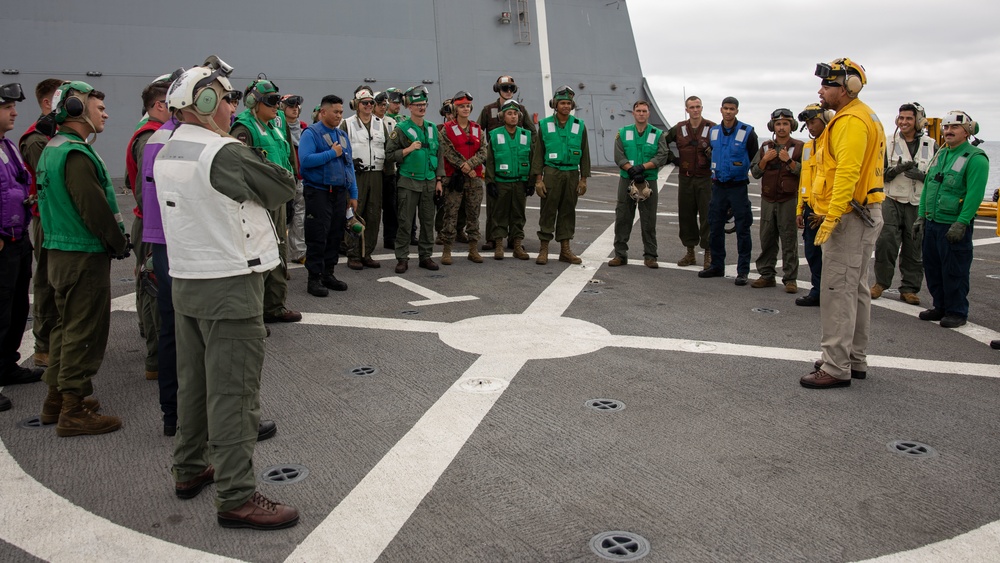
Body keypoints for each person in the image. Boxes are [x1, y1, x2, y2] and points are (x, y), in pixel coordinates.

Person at [155, 60, 299, 529]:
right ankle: (236, 495)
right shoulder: (224, 152)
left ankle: (190, 467)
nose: (233, 103)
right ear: (205, 102)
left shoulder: (168, 148)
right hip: (230, 280)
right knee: (235, 395)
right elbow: (281, 186)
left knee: (193, 383)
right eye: (227, 95)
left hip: (189, 279)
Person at [35, 81, 129, 434]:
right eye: (97, 107)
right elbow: (95, 209)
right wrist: (117, 243)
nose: (104, 113)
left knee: (64, 326)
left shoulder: (53, 148)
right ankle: (74, 410)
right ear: (76, 109)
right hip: (81, 253)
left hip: (60, 252)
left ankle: (56, 399)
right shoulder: (75, 154)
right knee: (84, 329)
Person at [800, 57, 885, 389]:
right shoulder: (863, 116)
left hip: (849, 217)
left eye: (828, 85)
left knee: (837, 291)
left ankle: (836, 366)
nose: (821, 91)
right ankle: (854, 358)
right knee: (856, 290)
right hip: (861, 214)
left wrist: (832, 216)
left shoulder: (850, 121)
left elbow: (847, 173)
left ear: (848, 88)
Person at [231, 75, 300, 324]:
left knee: (278, 251)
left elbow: (286, 160)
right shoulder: (244, 129)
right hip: (258, 203)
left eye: (276, 101)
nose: (276, 106)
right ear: (254, 102)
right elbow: (240, 171)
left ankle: (275, 306)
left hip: (278, 201)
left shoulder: (274, 127)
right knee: (259, 255)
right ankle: (254, 314)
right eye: (270, 101)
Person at [913, 110, 988, 329]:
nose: (948, 131)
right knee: (933, 267)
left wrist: (962, 222)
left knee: (955, 269)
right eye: (946, 127)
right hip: (933, 221)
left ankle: (956, 311)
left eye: (954, 127)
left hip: (953, 224)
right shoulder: (941, 154)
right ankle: (941, 306)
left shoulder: (975, 158)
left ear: (967, 131)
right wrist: (921, 216)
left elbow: (975, 194)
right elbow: (929, 185)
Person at [126, 74, 176, 382]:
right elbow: (149, 192)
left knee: (151, 287)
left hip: (150, 223)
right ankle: (156, 357)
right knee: (153, 290)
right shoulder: (150, 138)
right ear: (159, 105)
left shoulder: (155, 133)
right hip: (151, 224)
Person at [0, 83, 44, 412]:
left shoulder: (8, 146)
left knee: (15, 308)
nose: (15, 112)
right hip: (4, 240)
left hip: (17, 237)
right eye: (7, 107)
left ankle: (7, 365)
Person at [872, 103, 938, 305]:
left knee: (914, 246)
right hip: (892, 199)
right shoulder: (888, 142)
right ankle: (880, 283)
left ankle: (909, 288)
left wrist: (922, 176)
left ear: (918, 121)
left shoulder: (931, 144)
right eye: (901, 118)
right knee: (885, 243)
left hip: (917, 202)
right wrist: (894, 171)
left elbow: (936, 177)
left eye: (908, 118)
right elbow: (878, 173)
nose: (903, 122)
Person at [18, 78, 63, 369]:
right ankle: (45, 344)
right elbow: (51, 180)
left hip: (58, 216)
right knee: (47, 280)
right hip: (47, 218)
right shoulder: (36, 139)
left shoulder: (54, 135)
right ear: (48, 103)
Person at [298, 94, 358, 296]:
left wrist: (353, 193)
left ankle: (328, 273)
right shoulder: (311, 133)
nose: (339, 115)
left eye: (341, 112)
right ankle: (313, 278)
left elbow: (349, 166)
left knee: (334, 235)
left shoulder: (342, 135)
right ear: (323, 112)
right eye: (336, 112)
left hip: (339, 193)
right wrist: (332, 153)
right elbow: (305, 161)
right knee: (318, 234)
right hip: (319, 192)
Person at [699, 96, 759, 285]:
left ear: (737, 111)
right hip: (718, 186)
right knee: (715, 226)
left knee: (743, 228)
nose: (728, 112)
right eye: (725, 108)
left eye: (732, 109)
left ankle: (743, 271)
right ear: (721, 110)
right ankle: (717, 265)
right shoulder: (714, 131)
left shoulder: (747, 132)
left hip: (738, 186)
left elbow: (753, 156)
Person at [384, 86, 444, 273]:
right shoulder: (401, 129)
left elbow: (439, 154)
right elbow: (389, 154)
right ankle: (402, 258)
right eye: (417, 105)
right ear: (409, 107)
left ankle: (425, 256)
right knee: (405, 222)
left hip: (428, 181)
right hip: (408, 182)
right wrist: (408, 150)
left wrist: (439, 179)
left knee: (427, 222)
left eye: (424, 104)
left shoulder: (433, 129)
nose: (421, 108)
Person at [531, 85, 590, 265]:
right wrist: (538, 180)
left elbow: (585, 153)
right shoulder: (545, 125)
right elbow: (538, 154)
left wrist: (583, 179)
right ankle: (544, 249)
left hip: (572, 173)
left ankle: (565, 250)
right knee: (548, 210)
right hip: (551, 172)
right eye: (562, 103)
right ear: (555, 105)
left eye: (568, 103)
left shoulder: (579, 126)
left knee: (567, 211)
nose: (565, 106)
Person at [479, 75, 536, 252]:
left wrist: (525, 149)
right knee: (495, 207)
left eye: (511, 88)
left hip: (517, 162)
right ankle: (492, 239)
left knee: (517, 208)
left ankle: (514, 239)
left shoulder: (521, 109)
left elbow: (532, 133)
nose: (508, 91)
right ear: (498, 89)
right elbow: (477, 132)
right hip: (496, 160)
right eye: (505, 88)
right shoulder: (488, 110)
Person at [610, 100, 670, 268]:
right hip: (627, 178)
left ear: (648, 113)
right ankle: (620, 254)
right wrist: (631, 170)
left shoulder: (658, 134)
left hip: (648, 180)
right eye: (638, 111)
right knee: (623, 216)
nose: (641, 113)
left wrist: (642, 168)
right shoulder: (623, 132)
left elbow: (661, 155)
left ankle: (650, 256)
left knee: (649, 219)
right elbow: (619, 155)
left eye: (644, 111)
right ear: (633, 113)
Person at [749, 109, 804, 292]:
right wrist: (765, 160)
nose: (781, 128)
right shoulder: (766, 147)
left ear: (792, 126)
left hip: (788, 200)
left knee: (789, 239)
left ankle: (790, 279)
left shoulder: (799, 147)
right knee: (767, 238)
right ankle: (767, 275)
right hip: (767, 199)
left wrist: (789, 162)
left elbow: (806, 173)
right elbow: (756, 172)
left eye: (785, 124)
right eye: (778, 124)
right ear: (773, 126)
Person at [663, 96, 715, 268]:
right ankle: (690, 252)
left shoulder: (712, 128)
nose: (695, 110)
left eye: (698, 106)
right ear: (687, 109)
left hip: (705, 178)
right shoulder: (679, 128)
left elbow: (722, 148)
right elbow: (662, 141)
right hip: (685, 178)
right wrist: (673, 159)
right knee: (686, 215)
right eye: (692, 107)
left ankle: (708, 253)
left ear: (702, 108)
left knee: (707, 215)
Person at [341, 86, 387, 270]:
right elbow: (341, 147)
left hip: (376, 173)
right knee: (354, 212)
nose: (368, 106)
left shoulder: (379, 123)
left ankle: (367, 253)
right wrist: (349, 162)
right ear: (357, 105)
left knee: (374, 214)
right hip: (356, 174)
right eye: (364, 103)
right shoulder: (347, 124)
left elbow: (387, 147)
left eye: (371, 102)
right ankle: (353, 254)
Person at [439, 91, 487, 265]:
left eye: (467, 106)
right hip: (454, 178)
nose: (465, 109)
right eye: (461, 106)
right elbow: (447, 151)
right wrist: (464, 166)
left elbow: (483, 150)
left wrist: (471, 164)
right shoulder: (447, 129)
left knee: (473, 214)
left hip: (474, 180)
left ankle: (473, 249)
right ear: (455, 108)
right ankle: (447, 250)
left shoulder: (477, 128)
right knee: (450, 214)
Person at [794, 103, 834, 307]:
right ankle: (818, 290)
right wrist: (800, 208)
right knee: (812, 252)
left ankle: (832, 294)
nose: (810, 127)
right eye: (808, 123)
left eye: (813, 122)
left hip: (829, 209)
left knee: (833, 256)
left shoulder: (834, 143)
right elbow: (804, 179)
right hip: (811, 208)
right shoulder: (808, 147)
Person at [280, 94, 308, 264]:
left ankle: (299, 253)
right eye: (291, 106)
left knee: (299, 216)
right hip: (283, 179)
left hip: (300, 179)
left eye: (297, 106)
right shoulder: (277, 128)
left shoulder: (304, 128)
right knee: (282, 218)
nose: (295, 108)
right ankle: (280, 256)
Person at [375, 90, 400, 250]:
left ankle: (390, 238)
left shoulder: (392, 122)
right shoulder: (369, 122)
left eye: (385, 104)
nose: (383, 107)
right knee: (372, 207)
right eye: (380, 105)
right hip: (375, 169)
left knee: (391, 207)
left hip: (390, 170)